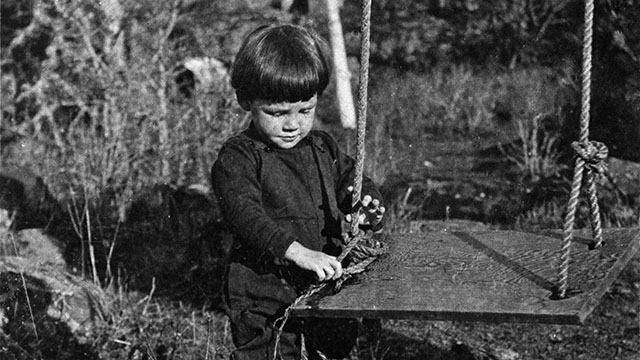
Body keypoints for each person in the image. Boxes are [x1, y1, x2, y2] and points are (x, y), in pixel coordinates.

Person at [211, 23, 385, 360]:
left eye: (306, 110)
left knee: (337, 349)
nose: (293, 124)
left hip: (325, 278)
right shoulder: (239, 156)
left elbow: (354, 180)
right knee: (269, 354)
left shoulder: (323, 147)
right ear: (245, 100)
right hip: (262, 287)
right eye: (276, 113)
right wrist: (297, 252)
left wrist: (366, 203)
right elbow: (243, 214)